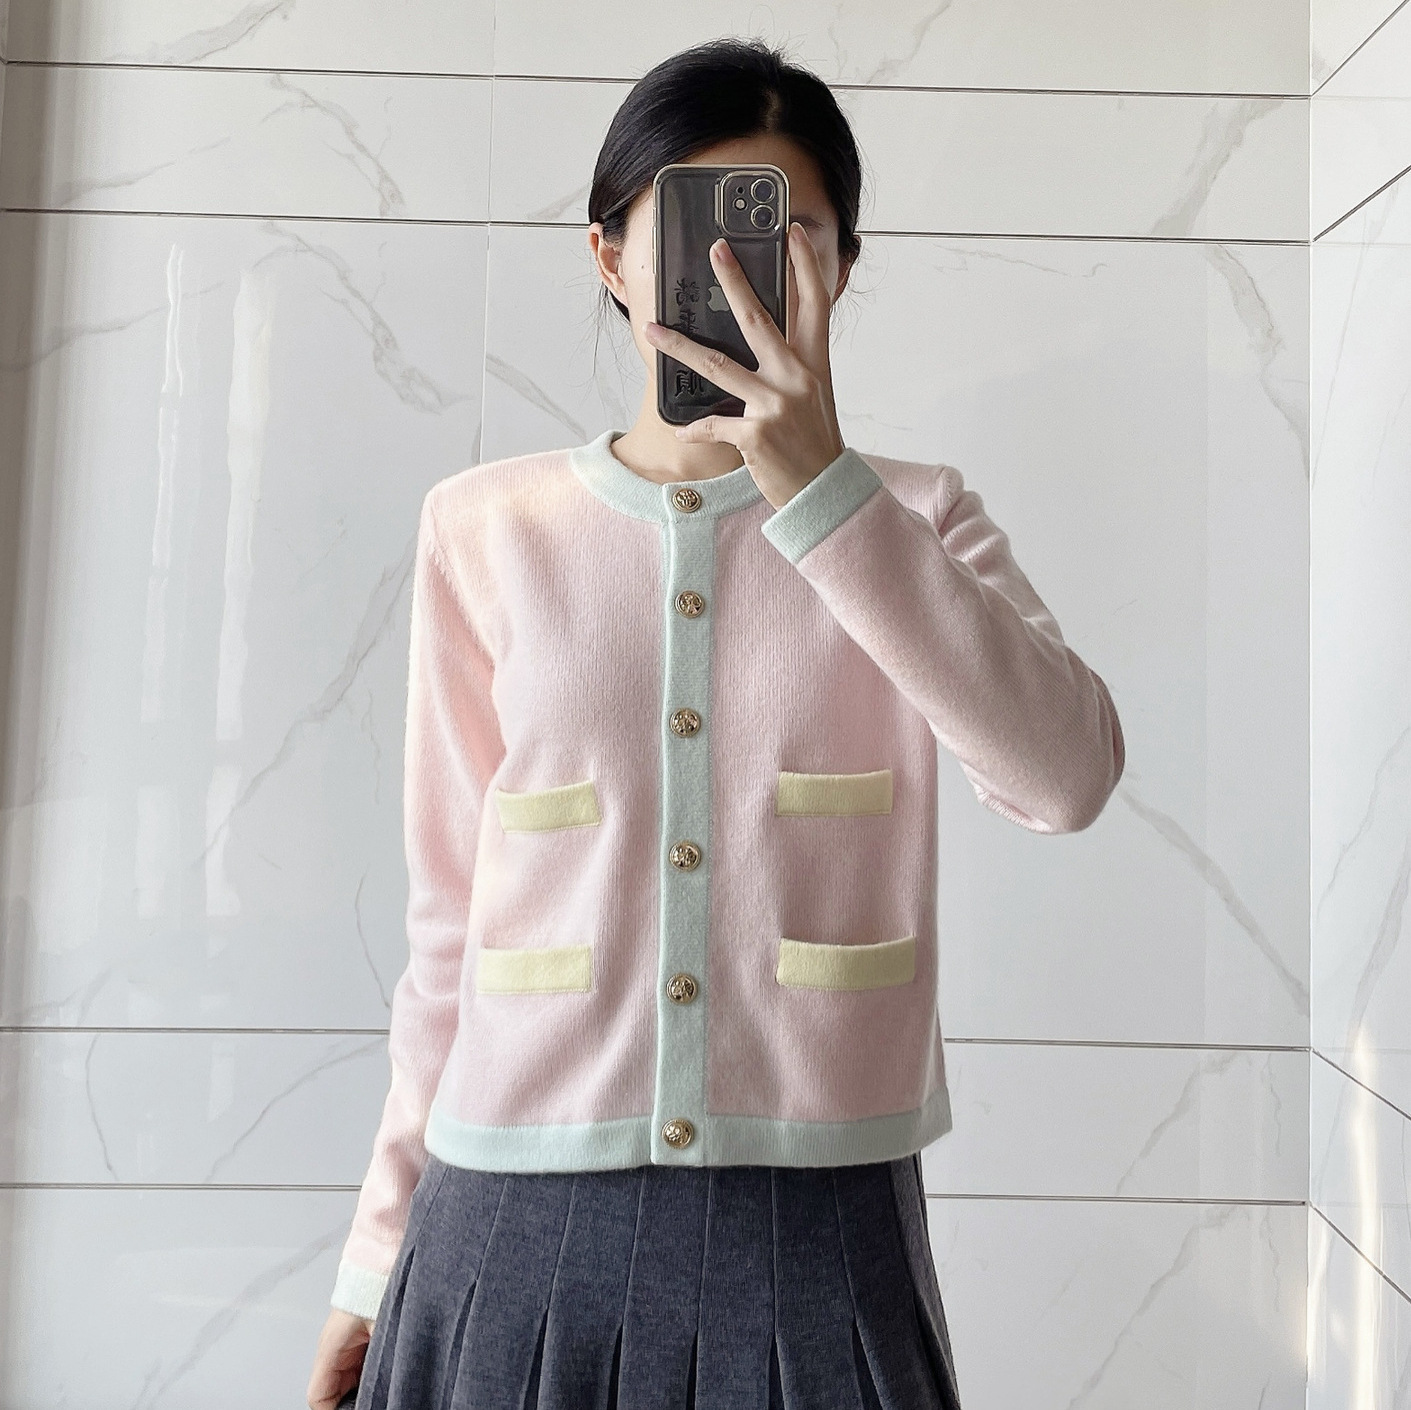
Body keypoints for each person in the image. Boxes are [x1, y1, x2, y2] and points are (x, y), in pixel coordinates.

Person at [307, 35, 1124, 1410]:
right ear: (612, 256)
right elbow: (448, 932)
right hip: (506, 1219)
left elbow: (1069, 777)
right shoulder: (487, 529)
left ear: (842, 269)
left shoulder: (914, 518)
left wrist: (825, 491)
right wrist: (372, 1255)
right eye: (699, 230)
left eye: (789, 237)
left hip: (819, 1227)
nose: (741, 272)